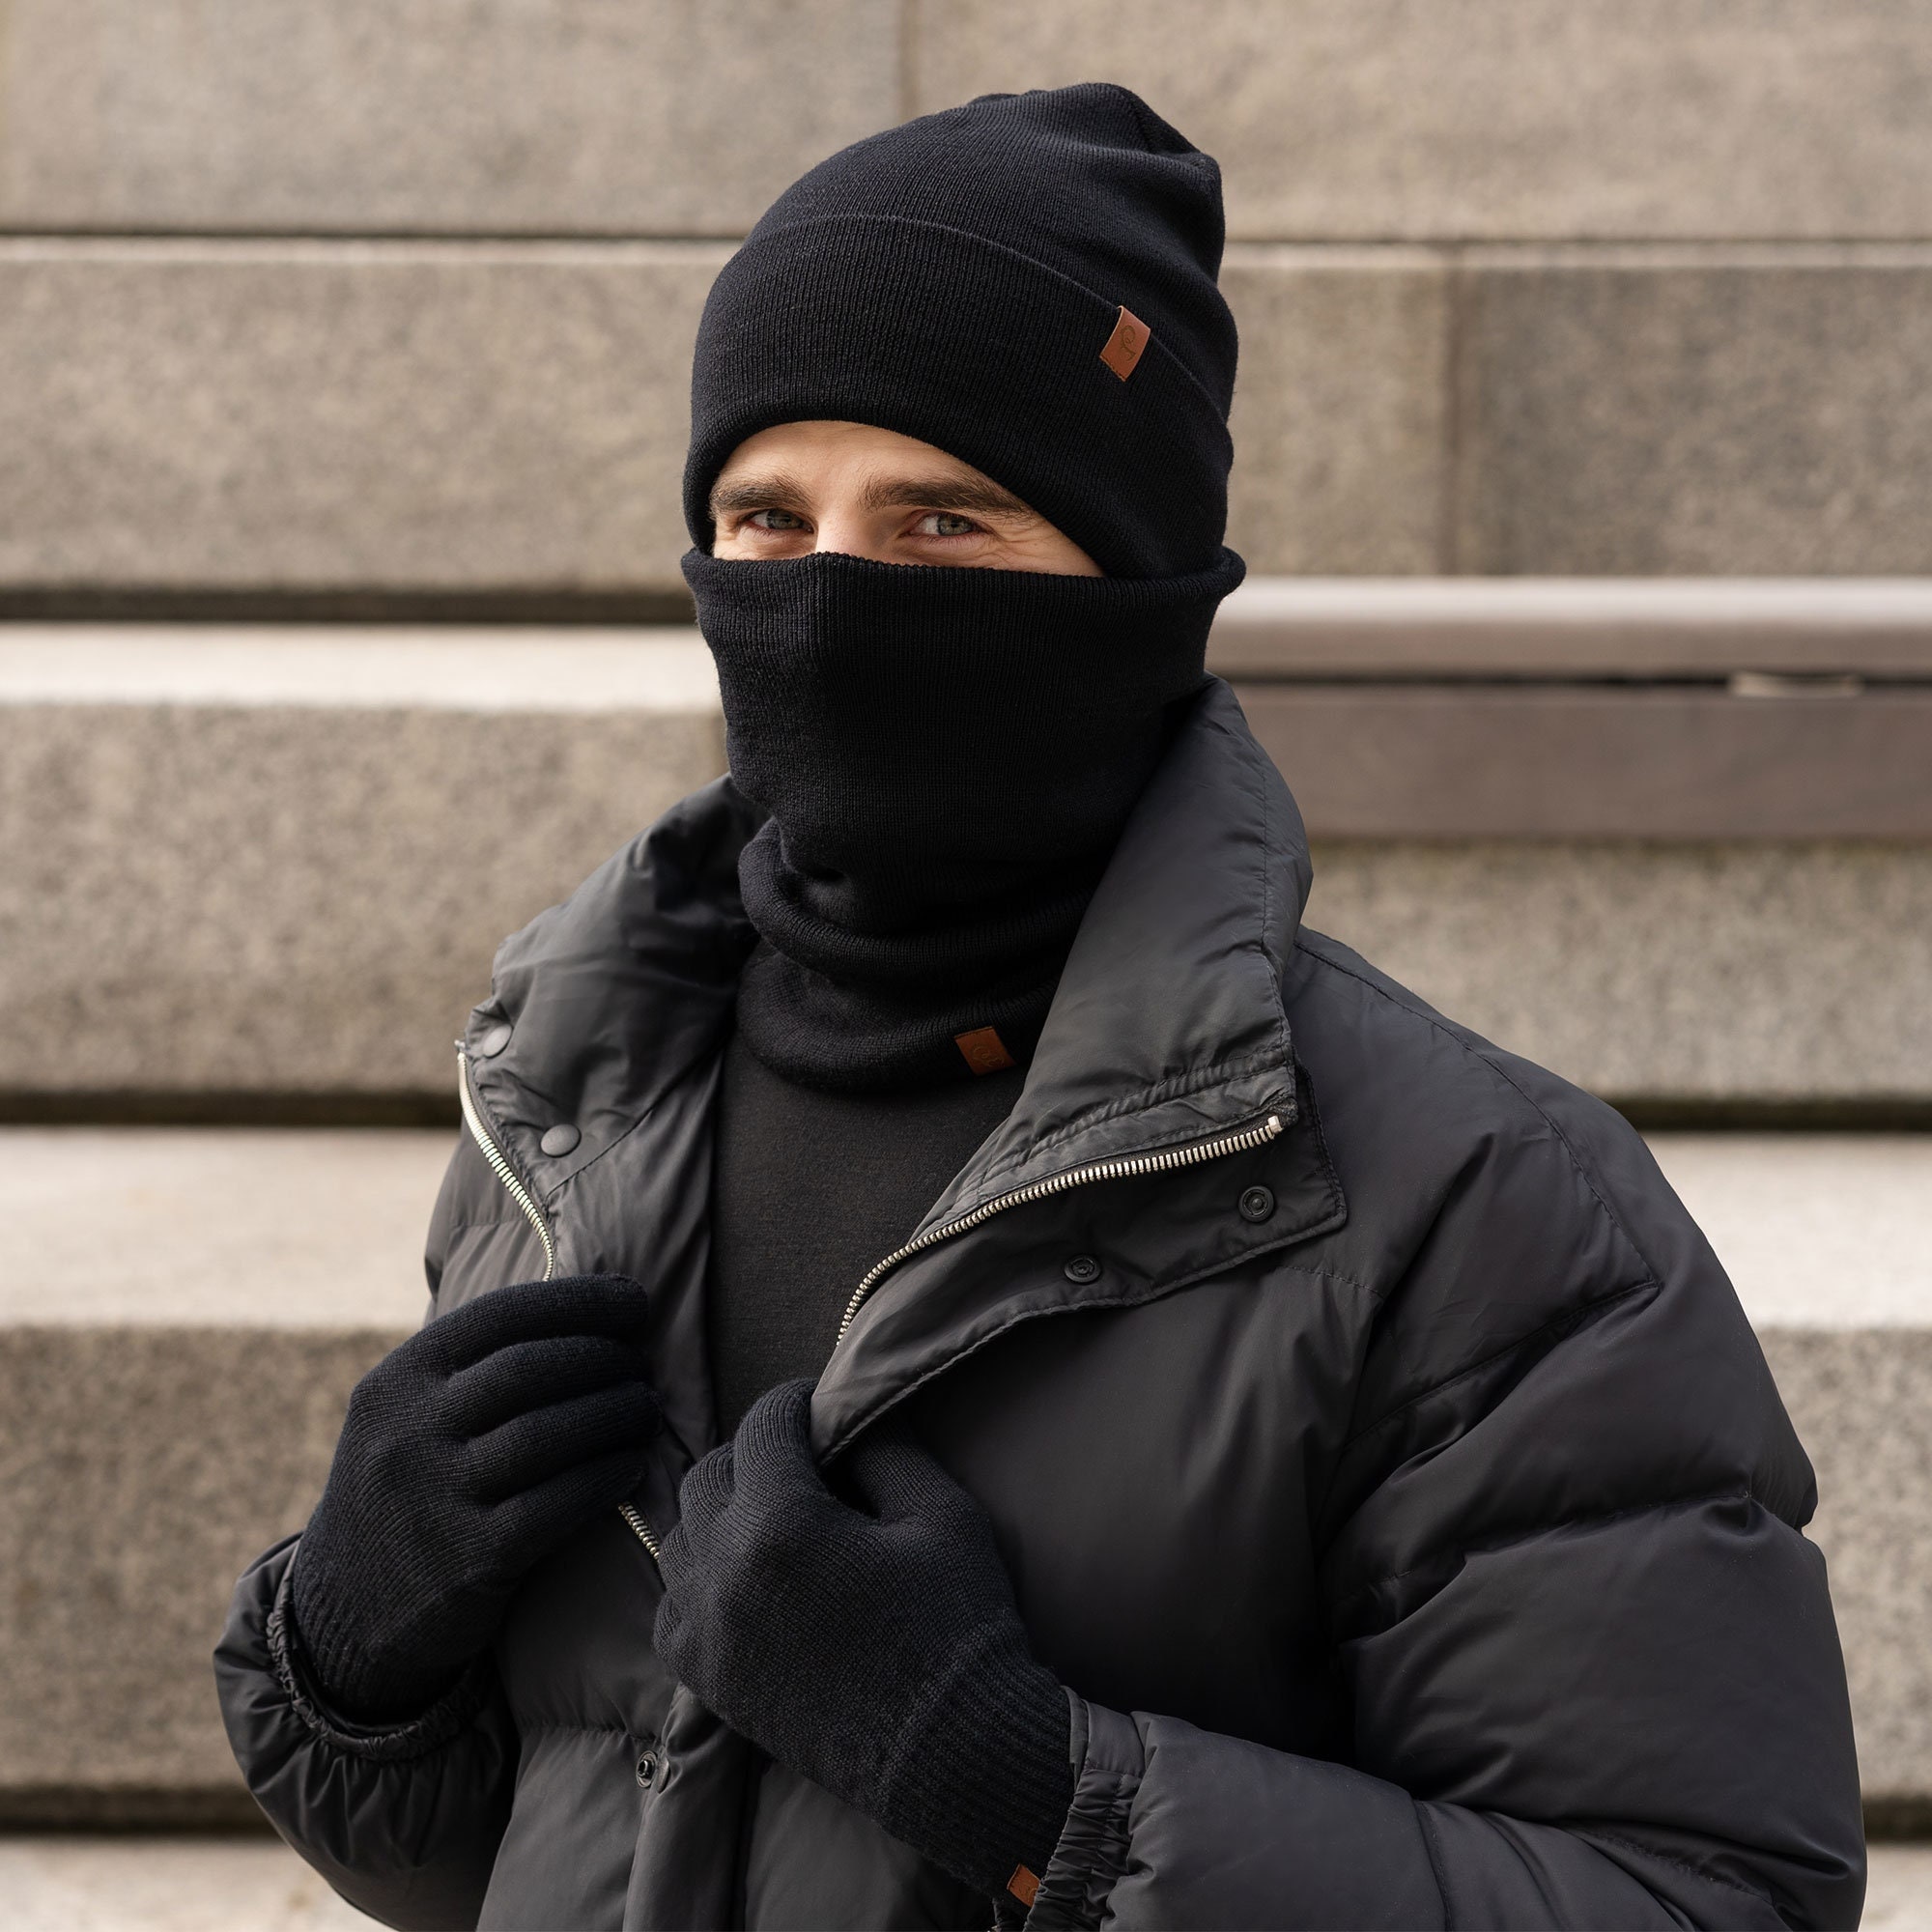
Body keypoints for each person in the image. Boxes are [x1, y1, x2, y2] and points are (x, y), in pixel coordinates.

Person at [215, 84, 1864, 1931]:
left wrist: (1019, 1784)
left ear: (1138, 589)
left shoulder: (1481, 1211)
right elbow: (509, 1858)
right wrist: (353, 1661)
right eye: (765, 518)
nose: (829, 604)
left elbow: (1703, 1900)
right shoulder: (574, 1114)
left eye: (943, 525)